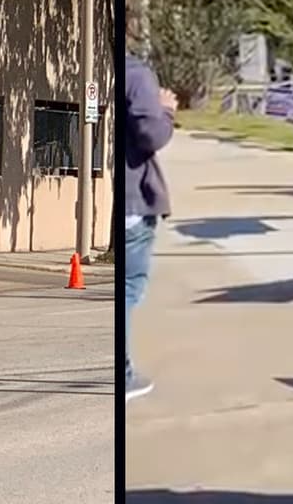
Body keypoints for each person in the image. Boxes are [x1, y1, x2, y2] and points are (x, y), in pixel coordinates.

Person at [125, 53, 176, 403]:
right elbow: (150, 134)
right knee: (130, 288)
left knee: (128, 289)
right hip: (133, 204)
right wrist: (166, 111)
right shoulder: (137, 75)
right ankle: (123, 372)